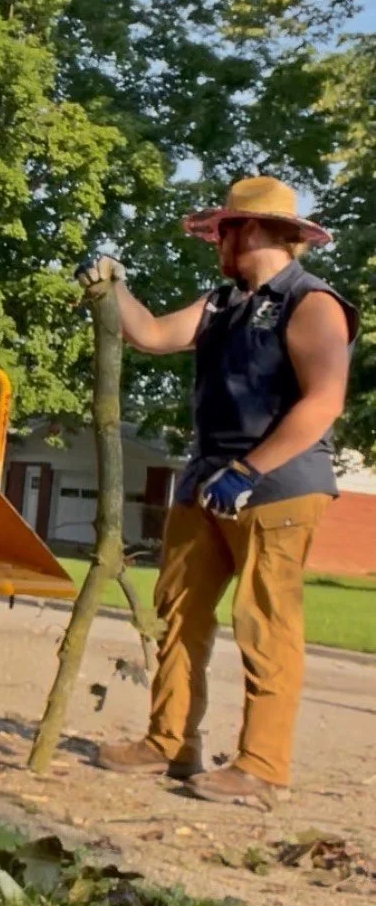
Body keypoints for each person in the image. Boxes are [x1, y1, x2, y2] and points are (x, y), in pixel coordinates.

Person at [77, 176, 357, 806]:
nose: (215, 245)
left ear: (248, 231)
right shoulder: (222, 303)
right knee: (178, 611)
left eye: (222, 232)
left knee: (265, 623)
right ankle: (170, 743)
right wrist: (110, 287)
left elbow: (324, 403)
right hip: (206, 478)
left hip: (279, 487)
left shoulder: (312, 303)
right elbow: (151, 335)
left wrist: (250, 471)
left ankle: (262, 767)